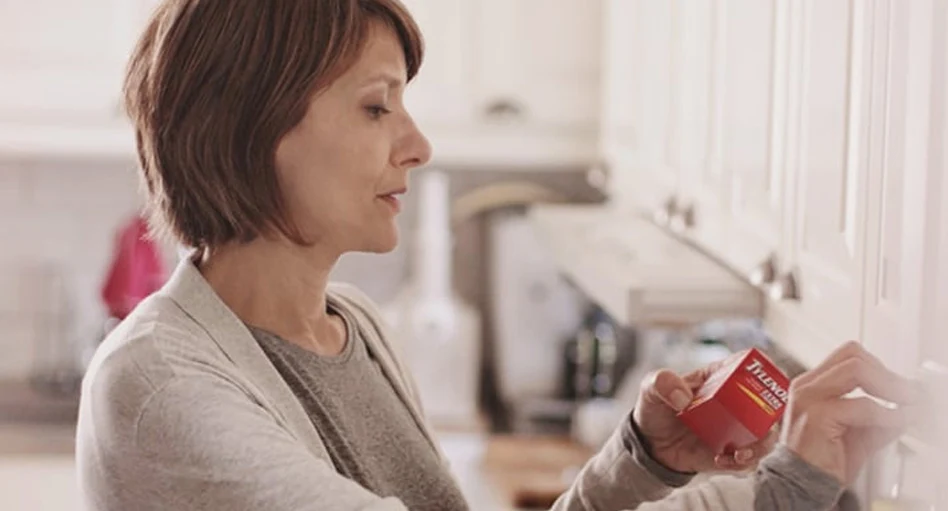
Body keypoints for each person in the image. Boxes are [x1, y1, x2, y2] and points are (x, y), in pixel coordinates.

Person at [76, 1, 919, 510]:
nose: (418, 144)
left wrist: (643, 459)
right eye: (377, 109)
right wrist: (790, 489)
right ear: (251, 127)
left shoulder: (351, 327)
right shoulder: (160, 385)